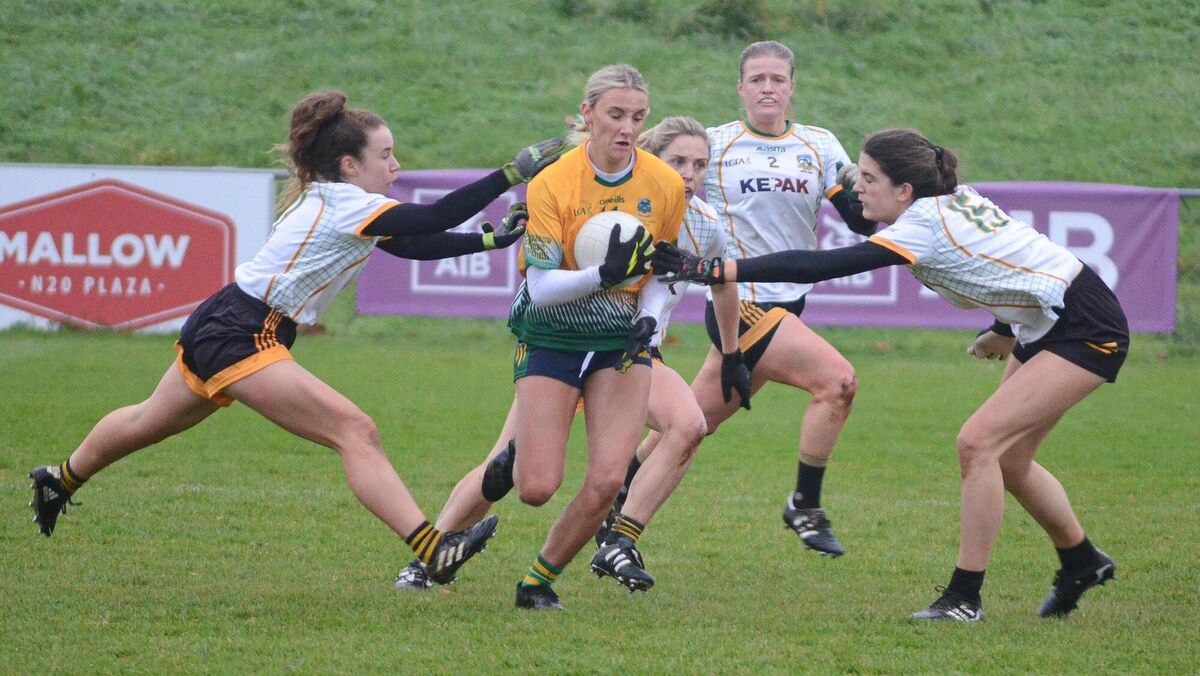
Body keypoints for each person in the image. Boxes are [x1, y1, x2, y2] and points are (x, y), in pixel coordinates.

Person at [26, 90, 569, 586]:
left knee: (150, 419)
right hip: (245, 330)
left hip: (228, 317)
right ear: (349, 164)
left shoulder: (339, 201)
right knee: (355, 430)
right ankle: (432, 549)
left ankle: (61, 478)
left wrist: (489, 239)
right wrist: (508, 173)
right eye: (386, 155)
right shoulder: (346, 203)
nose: (396, 165)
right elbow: (431, 216)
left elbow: (409, 245)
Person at [653, 127, 1128, 621]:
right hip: (1049, 320)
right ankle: (1081, 562)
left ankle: (964, 599)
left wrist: (714, 269)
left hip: (1084, 328)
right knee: (1008, 460)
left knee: (978, 443)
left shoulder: (922, 224)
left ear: (904, 190)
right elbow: (1012, 265)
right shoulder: (948, 202)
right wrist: (1004, 326)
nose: (857, 186)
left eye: (869, 178)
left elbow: (820, 267)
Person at [393, 117, 747, 594]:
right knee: (509, 467)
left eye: (700, 164)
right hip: (562, 345)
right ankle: (426, 559)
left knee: (688, 424)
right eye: (677, 161)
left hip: (628, 353)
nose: (688, 173)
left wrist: (731, 352)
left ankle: (616, 540)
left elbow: (722, 281)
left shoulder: (702, 226)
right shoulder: (600, 197)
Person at [632, 40, 877, 559]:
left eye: (778, 79)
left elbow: (858, 219)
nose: (768, 87)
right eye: (757, 79)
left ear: (792, 88)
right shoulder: (715, 143)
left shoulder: (818, 144)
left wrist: (862, 184)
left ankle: (614, 495)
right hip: (738, 302)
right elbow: (660, 179)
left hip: (790, 306)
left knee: (691, 426)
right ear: (740, 87)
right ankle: (804, 505)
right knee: (838, 383)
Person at [501, 64, 700, 611]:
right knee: (536, 487)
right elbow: (539, 289)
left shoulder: (662, 183)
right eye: (615, 115)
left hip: (622, 341)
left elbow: (662, 274)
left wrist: (650, 322)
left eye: (638, 117)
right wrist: (602, 276)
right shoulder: (553, 183)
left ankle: (538, 582)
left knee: (610, 478)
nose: (627, 128)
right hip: (550, 333)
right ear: (587, 114)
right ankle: (518, 457)